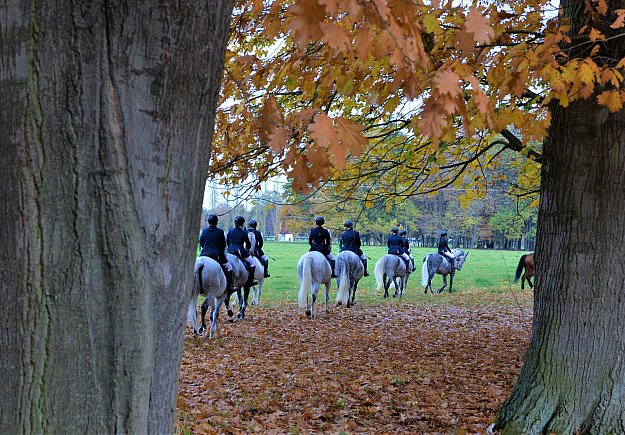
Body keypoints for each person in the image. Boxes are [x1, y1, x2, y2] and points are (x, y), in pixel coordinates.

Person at [198, 214, 233, 293]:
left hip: (204, 254)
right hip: (216, 254)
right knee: (230, 268)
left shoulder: (204, 231)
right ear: (216, 222)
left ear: (208, 221)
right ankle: (230, 286)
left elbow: (202, 243)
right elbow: (223, 245)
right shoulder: (220, 232)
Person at [226, 215, 256, 287]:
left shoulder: (230, 231)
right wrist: (248, 249)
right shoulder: (244, 232)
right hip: (239, 250)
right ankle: (250, 281)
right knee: (253, 263)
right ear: (242, 223)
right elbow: (248, 244)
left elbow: (227, 242)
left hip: (229, 250)